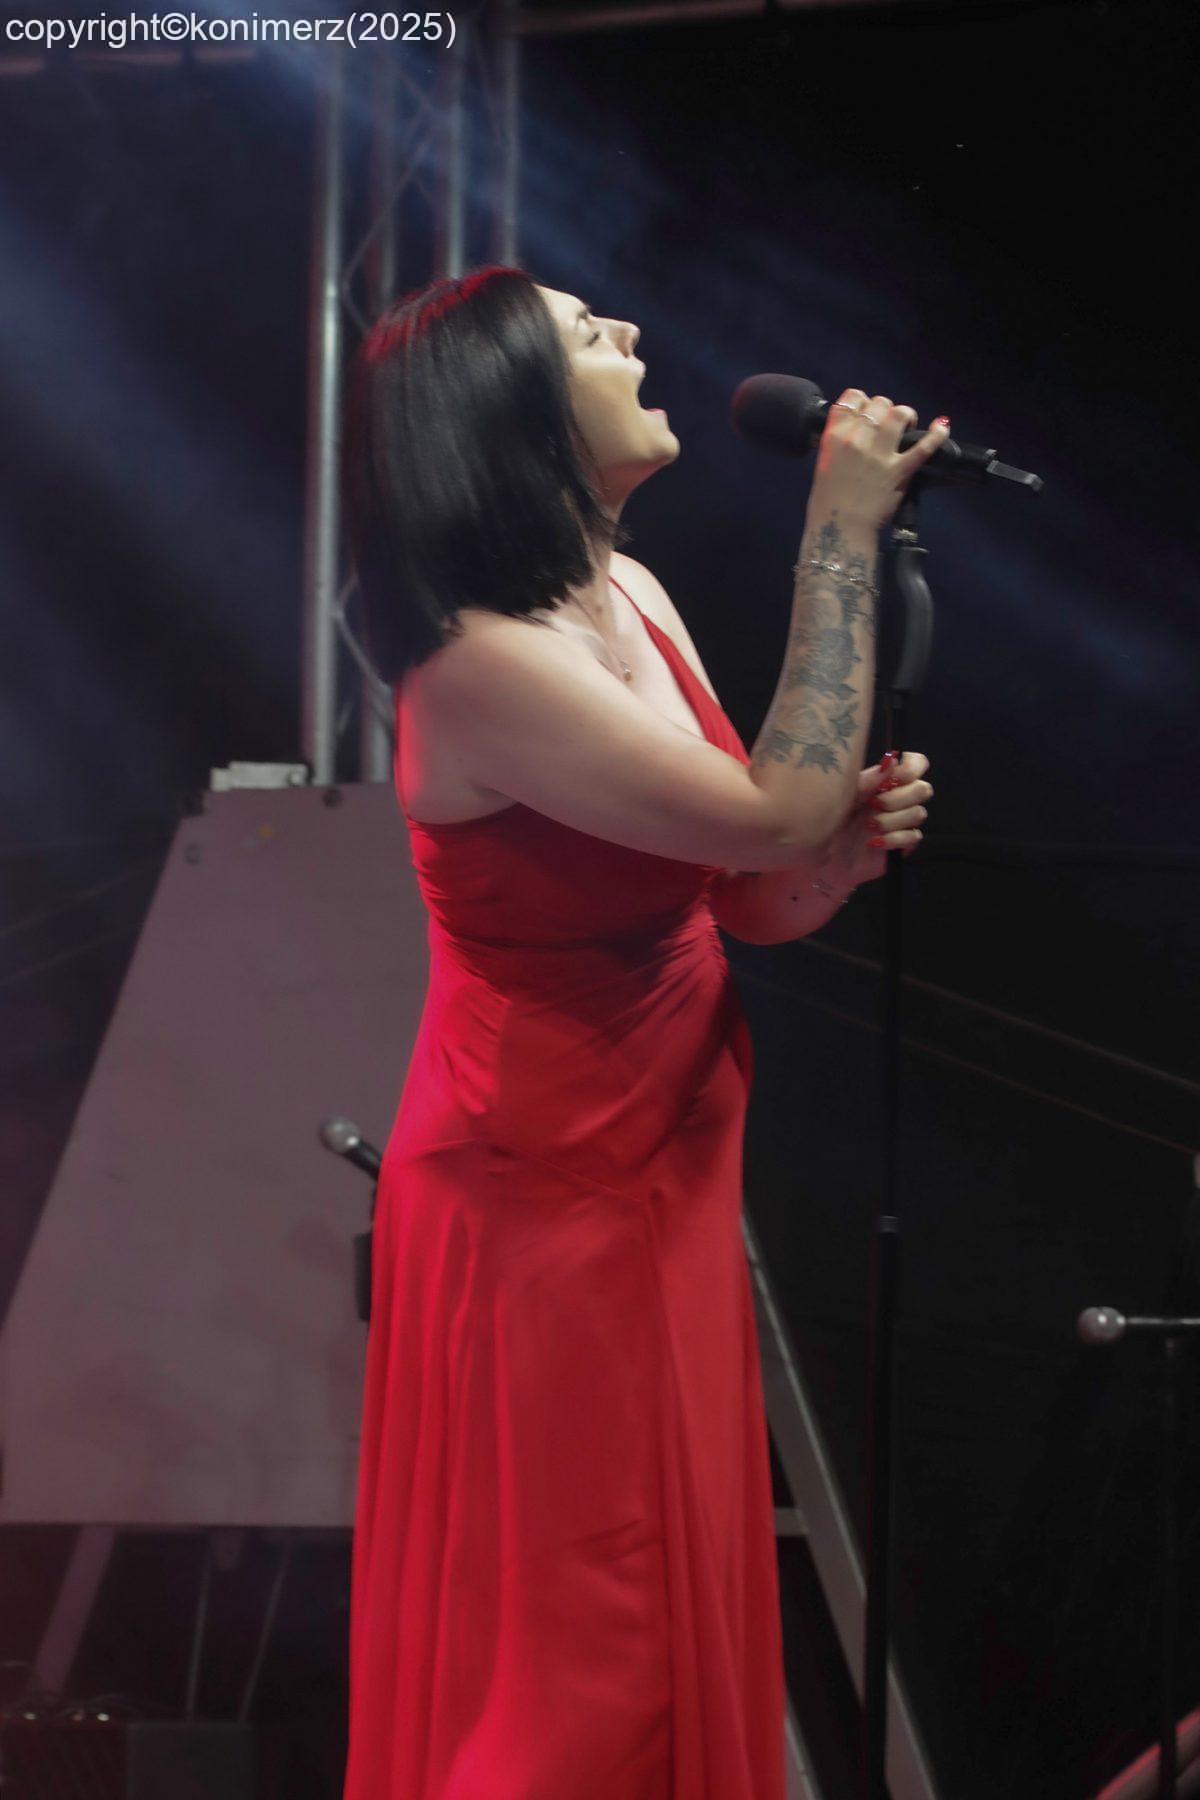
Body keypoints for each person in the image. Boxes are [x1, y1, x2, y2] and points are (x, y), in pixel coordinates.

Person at [339, 264, 942, 1800]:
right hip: (544, 1201)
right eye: (585, 332)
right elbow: (772, 808)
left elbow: (751, 889)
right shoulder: (481, 668)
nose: (628, 337)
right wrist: (838, 530)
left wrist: (835, 864)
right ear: (517, 412)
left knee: (656, 1631)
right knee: (582, 1659)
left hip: (661, 1176)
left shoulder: (631, 597)